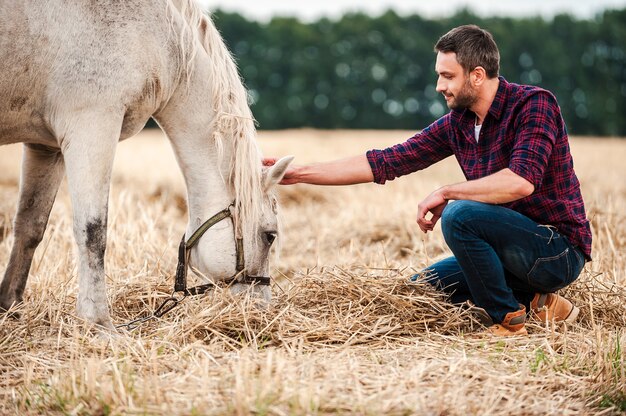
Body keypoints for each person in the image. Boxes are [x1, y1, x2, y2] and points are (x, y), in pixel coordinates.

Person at [264, 25, 592, 336]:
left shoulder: (534, 104)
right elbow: (385, 161)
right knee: (423, 287)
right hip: (508, 253)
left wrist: (448, 192)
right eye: (439, 75)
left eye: (448, 76)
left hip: (555, 252)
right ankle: (540, 303)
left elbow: (520, 182)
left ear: (477, 76)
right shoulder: (458, 124)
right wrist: (297, 173)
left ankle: (508, 321)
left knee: (460, 214)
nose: (439, 86)